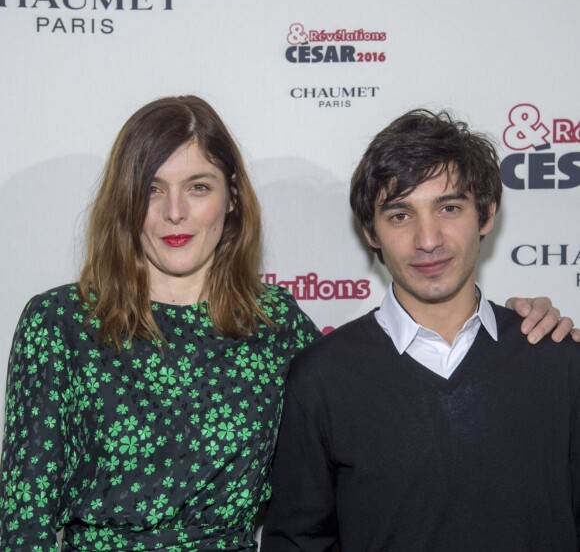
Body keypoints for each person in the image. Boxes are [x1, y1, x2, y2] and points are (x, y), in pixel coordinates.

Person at [0, 98, 573, 551]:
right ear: (123, 202)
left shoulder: (274, 327)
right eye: (151, 188)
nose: (174, 211)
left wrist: (522, 330)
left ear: (231, 201)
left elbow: (359, 452)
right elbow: (25, 521)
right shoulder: (60, 324)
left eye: (197, 186)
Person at [261, 109, 580, 551]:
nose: (427, 239)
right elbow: (298, 543)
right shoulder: (320, 379)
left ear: (485, 214)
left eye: (448, 208)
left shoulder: (558, 359)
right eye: (399, 215)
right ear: (370, 232)